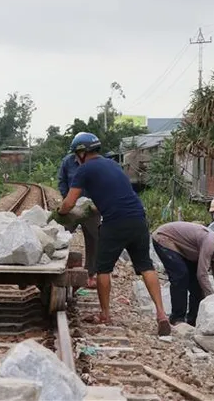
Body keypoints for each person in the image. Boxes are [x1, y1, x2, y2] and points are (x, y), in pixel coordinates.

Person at [55, 132, 171, 336]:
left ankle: (105, 314)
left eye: (76, 154)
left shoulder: (84, 170)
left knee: (103, 269)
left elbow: (70, 202)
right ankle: (161, 314)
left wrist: (60, 213)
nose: (75, 159)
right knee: (145, 265)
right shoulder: (113, 165)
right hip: (138, 219)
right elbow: (115, 195)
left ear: (82, 152)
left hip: (115, 223)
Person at [151, 221, 214, 326]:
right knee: (181, 276)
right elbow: (202, 274)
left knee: (197, 285)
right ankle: (177, 318)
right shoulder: (211, 242)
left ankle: (193, 320)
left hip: (183, 248)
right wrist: (212, 300)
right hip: (164, 238)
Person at [58, 150, 101, 288]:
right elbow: (62, 180)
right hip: (72, 207)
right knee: (61, 236)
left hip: (92, 208)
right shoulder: (68, 162)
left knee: (94, 240)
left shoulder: (96, 161)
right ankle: (60, 269)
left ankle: (91, 274)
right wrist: (67, 199)